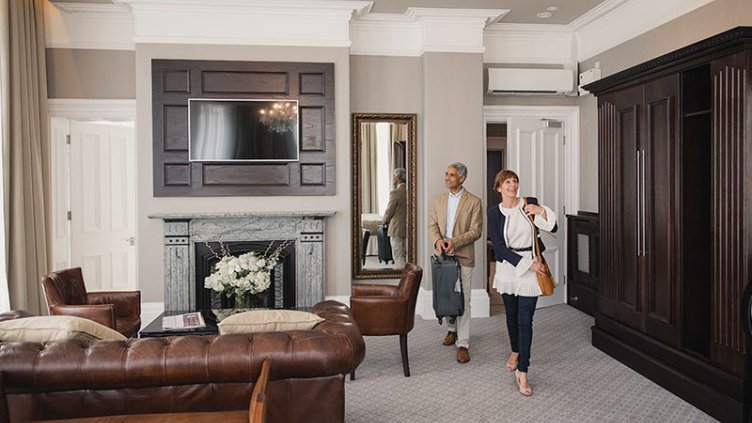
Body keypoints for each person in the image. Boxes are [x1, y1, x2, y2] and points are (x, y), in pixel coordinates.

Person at [488, 169, 557, 397]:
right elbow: (498, 247)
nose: (513, 185)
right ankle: (515, 350)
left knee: (525, 320)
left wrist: (541, 211)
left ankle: (523, 371)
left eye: (515, 181)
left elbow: (552, 227)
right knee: (511, 316)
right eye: (507, 182)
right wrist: (528, 264)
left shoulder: (529, 204)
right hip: (509, 269)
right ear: (499, 188)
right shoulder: (493, 213)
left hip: (531, 268)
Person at [428, 162, 483, 364]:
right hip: (442, 255)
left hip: (464, 256)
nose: (447, 178)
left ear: (462, 178)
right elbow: (432, 224)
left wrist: (455, 242)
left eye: (451, 175)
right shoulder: (439, 200)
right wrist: (438, 241)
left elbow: (476, 231)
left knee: (463, 300)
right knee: (446, 295)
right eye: (446, 174)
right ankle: (451, 330)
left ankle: (463, 343)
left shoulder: (474, 202)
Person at [382, 168, 407, 269]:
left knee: (398, 256)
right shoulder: (411, 191)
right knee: (406, 255)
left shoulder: (395, 192)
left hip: (396, 228)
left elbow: (389, 210)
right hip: (408, 227)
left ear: (397, 178)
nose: (392, 179)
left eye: (393, 177)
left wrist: (384, 221)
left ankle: (401, 278)